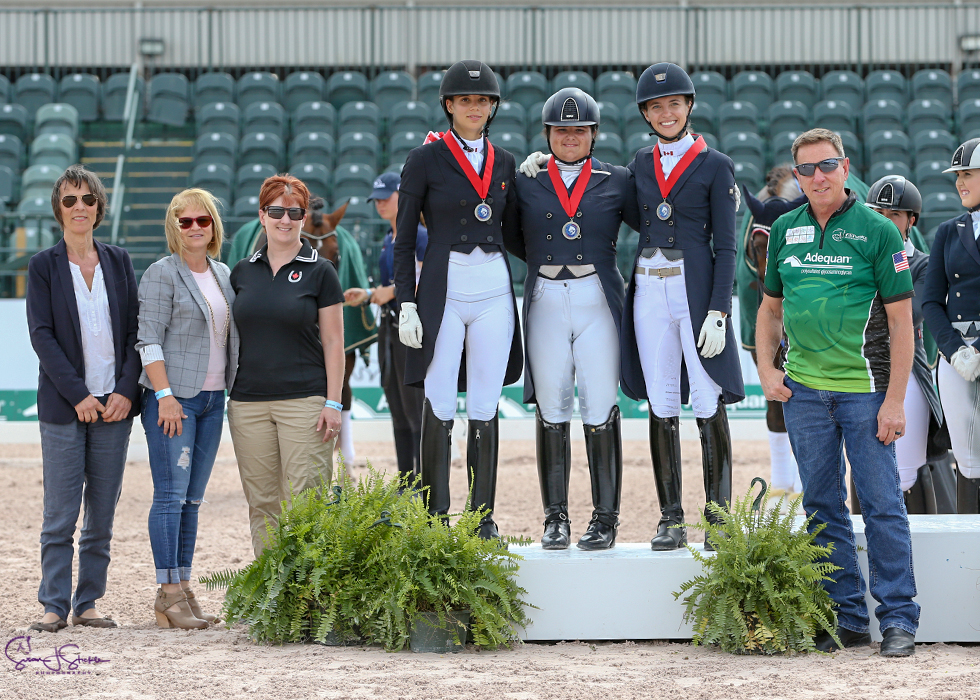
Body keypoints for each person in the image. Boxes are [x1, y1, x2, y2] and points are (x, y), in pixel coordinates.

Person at [756, 128, 918, 657]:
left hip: (865, 392)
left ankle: (897, 619)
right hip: (804, 395)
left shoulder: (878, 231)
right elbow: (769, 310)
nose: (817, 177)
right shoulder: (784, 229)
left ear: (845, 168)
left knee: (881, 503)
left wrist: (894, 400)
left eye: (826, 166)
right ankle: (847, 618)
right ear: (796, 176)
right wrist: (765, 369)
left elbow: (902, 325)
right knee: (822, 506)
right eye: (806, 170)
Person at [393, 60, 523, 539]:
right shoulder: (424, 159)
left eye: (483, 100)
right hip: (443, 288)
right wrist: (406, 300)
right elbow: (405, 240)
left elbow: (515, 234)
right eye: (466, 100)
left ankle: (481, 516)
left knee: (486, 401)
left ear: (492, 108)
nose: (475, 107)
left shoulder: (506, 161)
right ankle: (435, 513)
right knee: (440, 396)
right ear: (449, 105)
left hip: (492, 286)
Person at [619, 63, 744, 552]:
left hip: (693, 292)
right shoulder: (639, 162)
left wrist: (719, 310)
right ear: (646, 114)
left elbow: (728, 246)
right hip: (650, 288)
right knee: (661, 399)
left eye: (673, 104)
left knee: (707, 398)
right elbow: (617, 203)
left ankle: (719, 515)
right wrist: (550, 164)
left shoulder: (715, 164)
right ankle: (671, 518)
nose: (665, 112)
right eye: (655, 106)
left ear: (688, 106)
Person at [513, 87, 638, 550]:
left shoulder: (618, 178)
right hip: (545, 293)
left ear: (593, 134)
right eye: (561, 130)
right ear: (548, 134)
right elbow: (507, 232)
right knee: (552, 405)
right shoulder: (526, 179)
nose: (570, 137)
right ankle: (555, 518)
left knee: (601, 404)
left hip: (595, 297)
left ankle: (605, 519)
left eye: (579, 130)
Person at [25, 164, 141, 632]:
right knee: (60, 514)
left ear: (99, 208)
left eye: (88, 199)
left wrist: (125, 393)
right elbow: (42, 336)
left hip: (114, 406)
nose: (80, 207)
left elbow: (137, 332)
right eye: (70, 200)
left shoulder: (119, 261)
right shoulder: (42, 266)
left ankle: (87, 600)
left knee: (101, 515)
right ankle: (54, 604)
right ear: (58, 209)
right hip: (63, 408)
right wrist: (78, 395)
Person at [136, 188, 239, 629]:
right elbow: (148, 339)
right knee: (170, 497)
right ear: (174, 228)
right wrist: (165, 396)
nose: (196, 228)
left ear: (214, 225)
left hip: (214, 399)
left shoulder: (223, 273)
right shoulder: (161, 274)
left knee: (192, 500)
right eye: (186, 222)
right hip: (174, 401)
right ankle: (168, 593)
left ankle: (182, 587)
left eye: (204, 220)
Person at [227, 174, 346, 557]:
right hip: (248, 404)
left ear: (303, 216)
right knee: (262, 504)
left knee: (307, 503)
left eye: (294, 212)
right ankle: (274, 600)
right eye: (276, 210)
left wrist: (333, 402)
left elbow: (333, 341)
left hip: (305, 402)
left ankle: (308, 603)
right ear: (262, 215)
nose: (285, 219)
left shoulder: (321, 272)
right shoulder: (242, 272)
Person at [867, 175, 956, 514]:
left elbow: (910, 314)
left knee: (904, 473)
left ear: (911, 220)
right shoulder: (859, 261)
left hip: (906, 371)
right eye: (878, 213)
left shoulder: (923, 264)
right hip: (859, 369)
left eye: (893, 215)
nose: (884, 222)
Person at [344, 172, 427, 482]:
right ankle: (407, 479)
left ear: (402, 197)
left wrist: (389, 292)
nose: (379, 203)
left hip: (412, 330)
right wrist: (368, 295)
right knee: (397, 406)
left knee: (414, 407)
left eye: (385, 197)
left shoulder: (420, 235)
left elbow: (430, 277)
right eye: (376, 199)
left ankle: (424, 482)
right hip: (390, 328)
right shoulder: (388, 239)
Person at [922, 138, 980, 514]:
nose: (960, 182)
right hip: (957, 355)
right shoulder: (947, 231)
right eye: (958, 176)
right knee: (968, 456)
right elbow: (931, 301)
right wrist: (953, 349)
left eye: (968, 174)